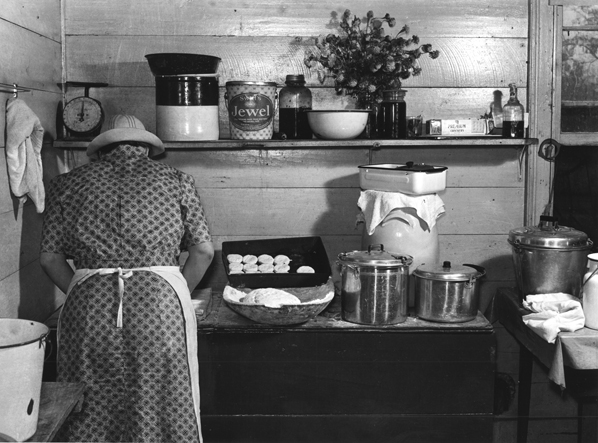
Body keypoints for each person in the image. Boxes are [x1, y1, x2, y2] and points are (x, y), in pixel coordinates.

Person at [40, 114, 214, 442]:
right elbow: (203, 251)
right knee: (162, 398)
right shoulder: (178, 180)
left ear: (102, 150)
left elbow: (49, 258)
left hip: (89, 309)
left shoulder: (66, 184)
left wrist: (83, 288)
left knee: (89, 402)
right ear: (146, 148)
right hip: (160, 308)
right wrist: (173, 290)